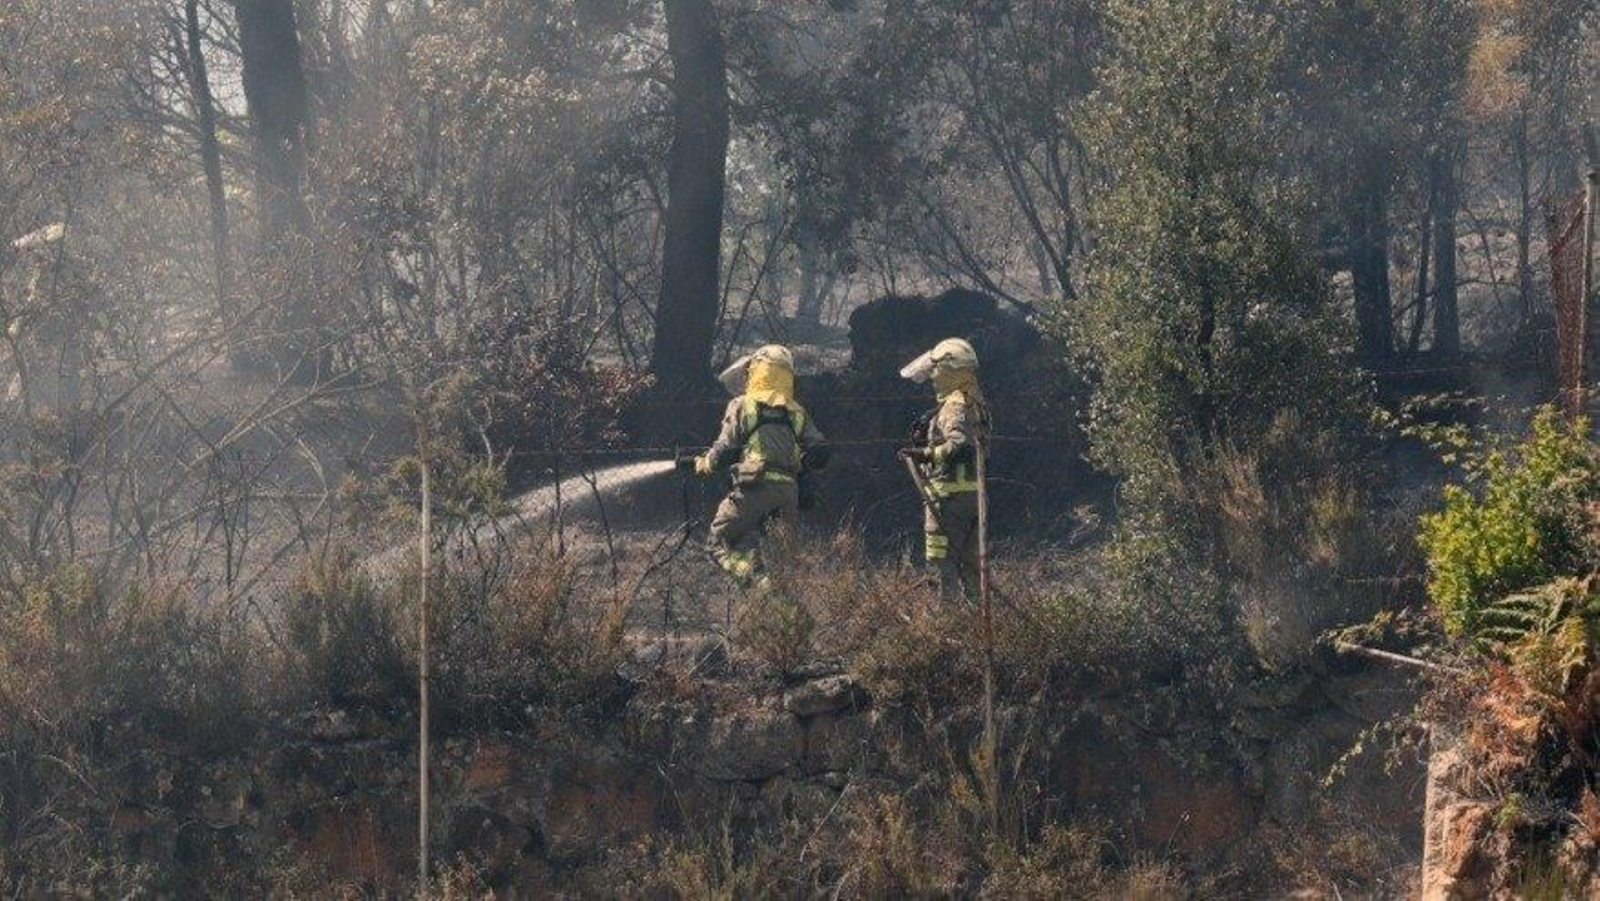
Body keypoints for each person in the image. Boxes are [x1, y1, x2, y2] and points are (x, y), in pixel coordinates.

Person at [693, 345, 828, 585]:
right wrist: (803, 460)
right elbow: (821, 451)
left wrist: (703, 464)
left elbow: (723, 451)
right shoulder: (796, 412)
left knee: (717, 545)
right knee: (781, 567)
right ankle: (777, 608)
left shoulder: (743, 405)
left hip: (755, 487)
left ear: (756, 372)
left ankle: (751, 574)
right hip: (789, 493)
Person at [898, 338, 990, 602]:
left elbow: (959, 446)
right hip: (976, 498)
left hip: (948, 500)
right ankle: (976, 629)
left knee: (940, 567)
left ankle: (943, 628)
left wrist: (924, 453)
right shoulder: (977, 403)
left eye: (936, 371)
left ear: (949, 371)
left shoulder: (954, 405)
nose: (933, 378)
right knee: (973, 570)